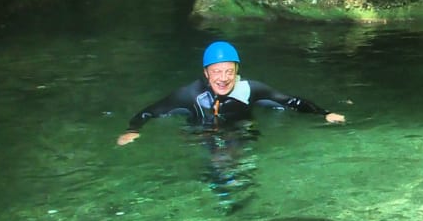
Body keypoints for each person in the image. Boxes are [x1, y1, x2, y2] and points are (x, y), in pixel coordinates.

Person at [116, 41, 345, 146]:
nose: (223, 78)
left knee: (240, 163)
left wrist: (324, 113)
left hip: (242, 132)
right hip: (201, 135)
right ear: (206, 73)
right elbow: (150, 112)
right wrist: (132, 130)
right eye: (216, 72)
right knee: (217, 162)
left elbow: (291, 101)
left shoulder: (250, 89)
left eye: (229, 71)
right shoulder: (189, 95)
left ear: (237, 71)